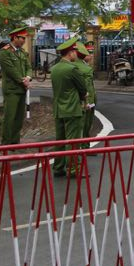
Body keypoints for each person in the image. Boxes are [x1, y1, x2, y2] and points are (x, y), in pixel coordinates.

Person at [51, 38, 88, 177]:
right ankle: (73, 169)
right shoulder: (72, 69)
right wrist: (84, 96)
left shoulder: (54, 69)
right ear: (70, 53)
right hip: (72, 109)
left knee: (60, 140)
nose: (76, 54)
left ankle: (58, 167)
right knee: (73, 141)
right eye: (75, 51)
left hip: (58, 109)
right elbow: (83, 88)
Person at [0, 24, 33, 145]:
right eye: (22, 38)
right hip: (11, 89)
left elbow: (29, 67)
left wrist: (28, 77)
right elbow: (10, 70)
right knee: (10, 117)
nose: (24, 40)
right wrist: (23, 81)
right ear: (14, 38)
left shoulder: (23, 53)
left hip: (22, 89)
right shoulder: (5, 52)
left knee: (19, 118)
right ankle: (6, 143)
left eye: (24, 38)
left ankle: (14, 142)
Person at [74, 41, 97, 138]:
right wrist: (88, 102)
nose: (91, 55)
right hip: (85, 102)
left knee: (85, 126)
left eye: (92, 52)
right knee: (85, 125)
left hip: (83, 101)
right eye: (89, 52)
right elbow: (87, 87)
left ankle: (84, 144)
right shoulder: (85, 68)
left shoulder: (86, 66)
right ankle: (84, 145)